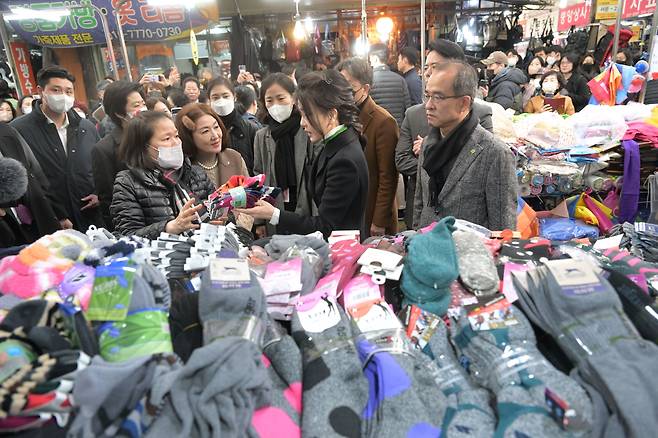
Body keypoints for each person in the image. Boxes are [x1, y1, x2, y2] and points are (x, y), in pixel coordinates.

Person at [235, 69, 369, 239]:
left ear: (332, 114)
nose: (302, 123)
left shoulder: (343, 159)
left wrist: (274, 214)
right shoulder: (336, 143)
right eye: (302, 114)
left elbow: (326, 225)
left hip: (341, 251)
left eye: (307, 115)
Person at [396, 39, 493, 230]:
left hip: (467, 226)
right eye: (426, 67)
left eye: (436, 66)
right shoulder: (414, 114)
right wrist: (433, 159)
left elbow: (483, 159)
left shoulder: (481, 114)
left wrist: (441, 154)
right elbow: (401, 159)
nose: (429, 72)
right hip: (425, 213)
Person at [414, 61, 517, 231]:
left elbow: (503, 229)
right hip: (428, 248)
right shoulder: (428, 144)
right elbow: (420, 204)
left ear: (464, 103)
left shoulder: (494, 153)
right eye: (427, 95)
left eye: (438, 97)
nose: (429, 105)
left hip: (470, 253)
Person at [11, 66, 102, 232]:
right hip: (46, 223)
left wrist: (99, 193)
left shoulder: (86, 127)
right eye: (56, 90)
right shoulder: (18, 130)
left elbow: (100, 167)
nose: (63, 96)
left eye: (68, 91)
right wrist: (52, 214)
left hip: (91, 219)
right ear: (41, 91)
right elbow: (22, 180)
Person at [110, 111, 215, 238]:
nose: (176, 143)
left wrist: (221, 220)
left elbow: (216, 208)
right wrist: (170, 227)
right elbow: (128, 236)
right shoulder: (127, 183)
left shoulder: (196, 173)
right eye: (167, 138)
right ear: (144, 146)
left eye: (176, 136)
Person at [338, 57, 399, 236]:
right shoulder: (342, 116)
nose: (343, 96)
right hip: (348, 208)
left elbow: (388, 177)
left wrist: (379, 221)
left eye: (349, 90)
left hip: (371, 210)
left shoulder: (383, 121)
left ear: (365, 89)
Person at [253, 73, 315, 226]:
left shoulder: (307, 130)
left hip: (306, 207)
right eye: (269, 100)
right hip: (274, 210)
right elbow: (258, 176)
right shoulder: (262, 136)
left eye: (281, 99)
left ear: (293, 98)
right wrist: (260, 221)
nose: (276, 105)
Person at [91, 80, 146, 231]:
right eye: (136, 106)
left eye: (143, 103)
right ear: (119, 113)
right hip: (134, 226)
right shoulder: (104, 149)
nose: (143, 109)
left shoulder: (154, 136)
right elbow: (109, 200)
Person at [0, 123, 60, 246]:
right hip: (7, 231)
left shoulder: (7, 131)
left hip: (34, 214)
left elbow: (35, 172)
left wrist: (59, 214)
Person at [175, 103, 248, 188]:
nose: (215, 136)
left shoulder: (234, 158)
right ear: (189, 137)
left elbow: (251, 194)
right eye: (205, 131)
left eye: (216, 127)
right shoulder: (183, 169)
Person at [206, 77, 258, 173]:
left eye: (225, 96)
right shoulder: (205, 131)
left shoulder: (250, 128)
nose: (221, 101)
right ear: (209, 100)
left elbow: (258, 164)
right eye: (215, 97)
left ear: (234, 97)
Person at [369, 43, 411, 125]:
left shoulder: (369, 81)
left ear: (375, 58)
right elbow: (408, 108)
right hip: (398, 129)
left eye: (370, 57)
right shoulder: (401, 80)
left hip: (378, 129)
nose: (370, 61)